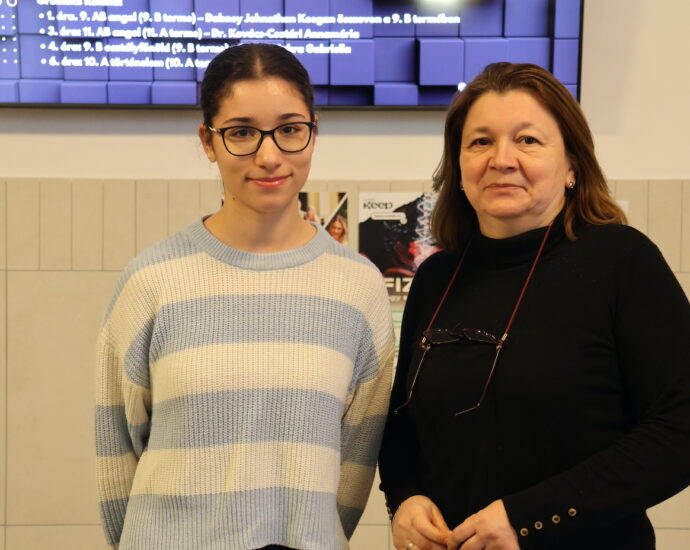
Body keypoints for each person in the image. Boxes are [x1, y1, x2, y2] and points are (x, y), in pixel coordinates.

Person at [378, 62, 690, 550]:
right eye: (481, 141)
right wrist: (405, 498)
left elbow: (679, 430)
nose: (502, 159)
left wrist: (528, 518)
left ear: (572, 166)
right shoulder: (437, 277)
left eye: (527, 140)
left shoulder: (622, 261)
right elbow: (402, 424)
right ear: (458, 167)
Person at [95, 43, 394, 550]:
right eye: (241, 133)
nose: (269, 156)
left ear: (314, 131)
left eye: (290, 129)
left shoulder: (358, 287)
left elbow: (356, 459)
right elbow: (116, 451)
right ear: (208, 142)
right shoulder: (151, 281)